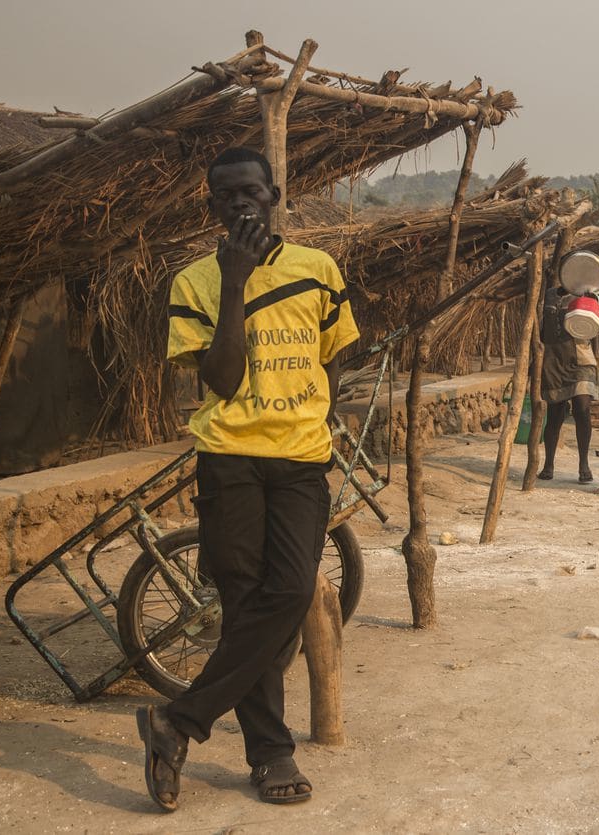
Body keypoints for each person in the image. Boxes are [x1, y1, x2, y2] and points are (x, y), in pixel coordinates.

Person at [142, 146, 360, 811]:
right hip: (229, 457)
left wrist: (311, 411)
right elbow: (222, 379)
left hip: (298, 458)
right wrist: (234, 280)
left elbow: (339, 353)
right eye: (225, 196)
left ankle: (178, 720)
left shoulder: (317, 269)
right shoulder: (195, 283)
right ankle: (270, 752)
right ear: (211, 206)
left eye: (251, 192)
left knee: (291, 589)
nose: (240, 203)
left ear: (273, 195)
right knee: (243, 600)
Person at [539, 291, 599, 483]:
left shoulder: (588, 292)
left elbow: (596, 328)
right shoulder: (547, 294)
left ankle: (584, 464)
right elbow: (540, 332)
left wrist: (598, 357)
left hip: (582, 357)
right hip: (554, 359)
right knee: (555, 414)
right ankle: (548, 464)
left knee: (582, 409)